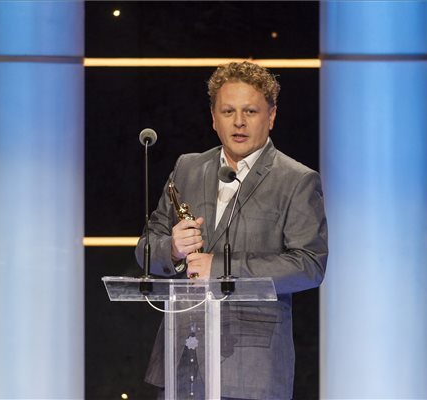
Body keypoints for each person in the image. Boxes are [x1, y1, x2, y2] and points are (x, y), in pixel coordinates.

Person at [136, 61, 327, 400]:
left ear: (271, 116)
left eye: (250, 111)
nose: (238, 122)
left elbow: (309, 265)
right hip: (180, 362)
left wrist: (221, 269)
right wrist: (173, 249)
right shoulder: (188, 167)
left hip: (250, 369)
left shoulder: (296, 180)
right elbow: (146, 249)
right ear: (214, 117)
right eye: (228, 111)